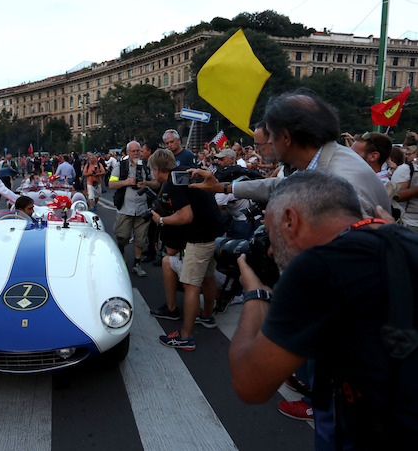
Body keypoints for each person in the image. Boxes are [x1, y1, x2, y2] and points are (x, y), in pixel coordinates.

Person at [229, 170, 418, 449]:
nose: (269, 251)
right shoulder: (400, 238)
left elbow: (249, 384)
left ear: (291, 220)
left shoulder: (319, 267)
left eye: (270, 234)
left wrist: (256, 293)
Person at [190, 90, 391, 216]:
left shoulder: (339, 187)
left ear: (286, 137)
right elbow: (279, 184)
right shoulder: (327, 162)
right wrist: (222, 187)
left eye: (271, 136)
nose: (269, 143)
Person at [147, 149, 225, 350]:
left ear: (156, 170)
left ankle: (185, 337)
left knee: (191, 285)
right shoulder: (183, 171)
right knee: (207, 276)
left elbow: (185, 216)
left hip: (199, 236)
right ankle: (207, 316)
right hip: (213, 230)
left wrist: (161, 220)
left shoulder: (173, 182)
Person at [109, 141, 153, 277]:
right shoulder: (121, 166)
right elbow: (111, 184)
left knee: (140, 239)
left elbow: (157, 183)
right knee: (122, 236)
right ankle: (121, 251)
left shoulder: (146, 165)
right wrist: (126, 182)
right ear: (127, 152)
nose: (135, 153)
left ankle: (137, 264)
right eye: (132, 151)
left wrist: (146, 183)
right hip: (125, 208)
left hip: (142, 208)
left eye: (138, 151)